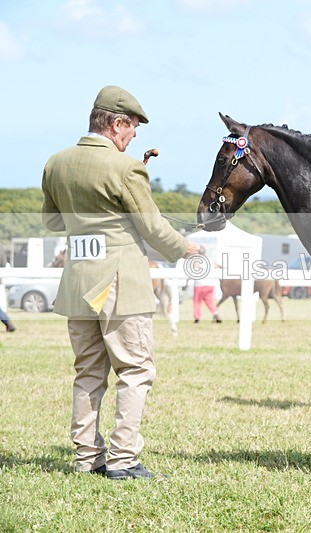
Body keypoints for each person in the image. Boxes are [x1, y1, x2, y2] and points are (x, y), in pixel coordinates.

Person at [41, 85, 201, 479]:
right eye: (131, 129)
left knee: (88, 372)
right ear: (116, 123)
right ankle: (124, 460)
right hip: (119, 285)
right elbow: (151, 226)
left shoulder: (56, 163)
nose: (133, 137)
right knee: (135, 370)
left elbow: (52, 222)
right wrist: (187, 250)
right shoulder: (126, 168)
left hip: (78, 284)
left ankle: (86, 459)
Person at [192, 246, 222, 323]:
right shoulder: (210, 260)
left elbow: (194, 270)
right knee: (209, 301)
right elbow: (218, 267)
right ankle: (216, 313)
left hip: (199, 285)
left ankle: (197, 318)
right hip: (210, 285)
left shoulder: (197, 261)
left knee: (197, 302)